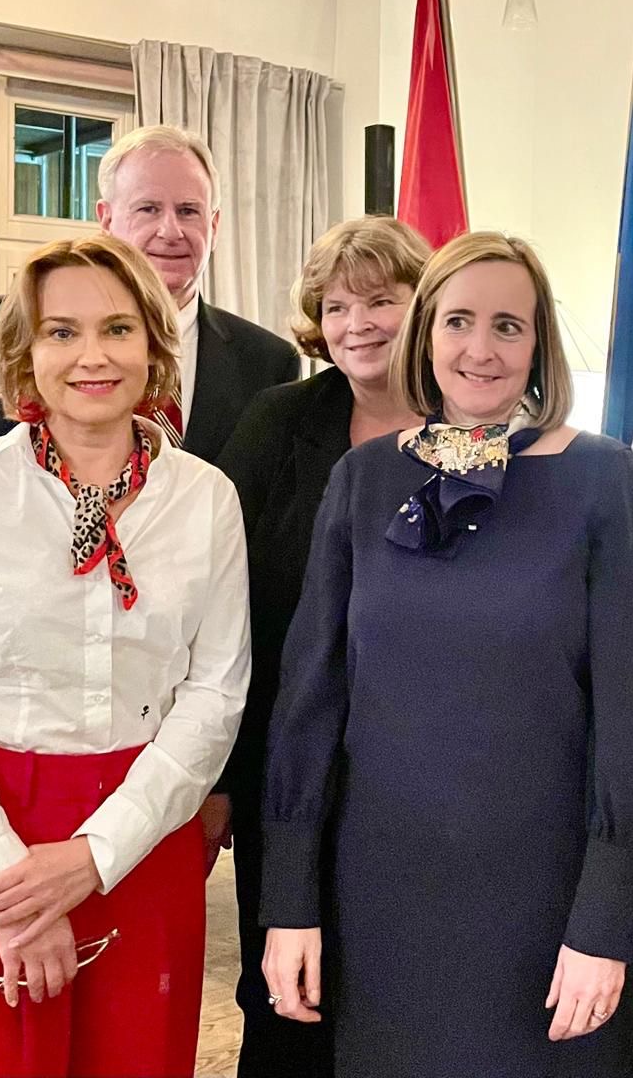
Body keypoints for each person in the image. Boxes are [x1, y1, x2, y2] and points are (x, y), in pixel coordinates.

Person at [259, 232, 633, 1077]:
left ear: (538, 344)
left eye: (507, 326)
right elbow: (310, 706)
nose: (480, 349)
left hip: (544, 907)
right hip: (381, 900)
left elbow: (632, 716)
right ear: (425, 334)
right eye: (458, 321)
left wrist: (608, 923)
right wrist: (289, 902)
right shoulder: (363, 479)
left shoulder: (604, 478)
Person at [0, 232, 251, 1077]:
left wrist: (94, 858)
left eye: (118, 329)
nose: (93, 356)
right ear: (25, 352)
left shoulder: (206, 500)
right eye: (61, 332)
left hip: (140, 842)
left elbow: (214, 698)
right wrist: (11, 893)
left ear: (153, 347)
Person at [212, 216, 432, 1077]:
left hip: (425, 778)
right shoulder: (281, 420)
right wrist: (221, 780)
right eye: (336, 307)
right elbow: (221, 602)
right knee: (284, 999)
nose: (357, 324)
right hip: (287, 769)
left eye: (381, 300)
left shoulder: (473, 425)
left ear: (424, 303)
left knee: (404, 996)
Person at [0, 124, 299, 463]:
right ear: (106, 220)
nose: (170, 231)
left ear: (214, 225)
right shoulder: (18, 324)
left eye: (188, 211)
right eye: (148, 209)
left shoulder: (267, 363)